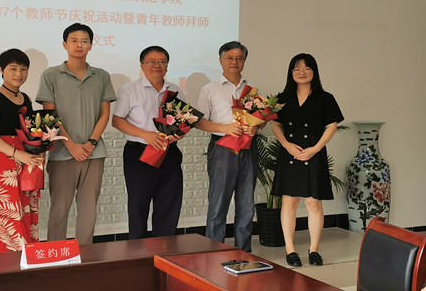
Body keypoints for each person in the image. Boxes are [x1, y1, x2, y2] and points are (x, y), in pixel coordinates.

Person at [36, 23, 116, 244]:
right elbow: (49, 114)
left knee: (89, 212)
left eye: (84, 41)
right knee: (59, 210)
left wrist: (91, 143)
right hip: (62, 152)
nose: (79, 45)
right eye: (73, 40)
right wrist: (70, 144)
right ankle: (56, 256)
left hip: (94, 153)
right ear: (65, 44)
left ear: (91, 45)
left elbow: (105, 114)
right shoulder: (51, 75)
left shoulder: (101, 76)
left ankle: (85, 256)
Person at [270, 53, 344, 267]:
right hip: (290, 154)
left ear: (314, 71)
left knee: (314, 203)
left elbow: (332, 126)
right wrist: (286, 144)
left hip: (314, 153)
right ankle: (290, 249)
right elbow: (275, 123)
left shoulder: (325, 98)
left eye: (306, 68)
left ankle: (314, 249)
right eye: (296, 68)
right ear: (291, 72)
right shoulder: (282, 98)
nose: (301, 72)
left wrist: (315, 149)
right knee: (289, 202)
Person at [0, 49, 45, 254]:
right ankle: (2, 258)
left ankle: (25, 256)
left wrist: (40, 150)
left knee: (26, 209)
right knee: (5, 212)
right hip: (5, 162)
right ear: (1, 70)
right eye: (13, 69)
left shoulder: (26, 98)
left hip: (27, 160)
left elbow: (32, 131)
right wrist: (16, 153)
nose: (18, 74)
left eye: (23, 69)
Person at [112, 46, 185, 239]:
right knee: (138, 205)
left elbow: (183, 120)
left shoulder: (176, 90)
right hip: (139, 154)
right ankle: (137, 251)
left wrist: (179, 134)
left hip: (169, 153)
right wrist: (146, 135)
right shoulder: (129, 90)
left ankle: (165, 249)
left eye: (162, 62)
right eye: (151, 62)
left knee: (168, 205)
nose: (157, 65)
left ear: (167, 66)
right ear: (142, 66)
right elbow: (117, 121)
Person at [196, 41, 260, 252]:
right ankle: (214, 251)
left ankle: (244, 251)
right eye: (230, 58)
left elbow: (260, 119)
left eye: (239, 58)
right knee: (218, 204)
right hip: (222, 148)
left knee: (246, 204)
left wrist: (255, 127)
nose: (234, 62)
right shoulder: (209, 89)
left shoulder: (252, 89)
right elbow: (199, 122)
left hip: (248, 148)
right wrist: (225, 128)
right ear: (221, 60)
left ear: (244, 61)